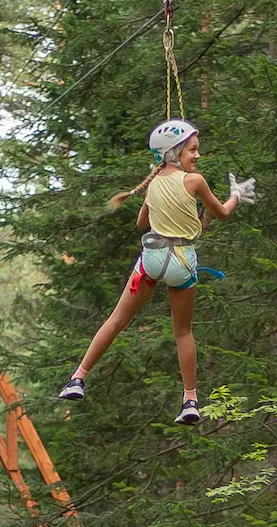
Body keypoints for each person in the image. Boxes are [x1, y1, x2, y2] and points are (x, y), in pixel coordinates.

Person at [58, 120, 256, 425]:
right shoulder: (195, 182)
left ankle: (78, 378)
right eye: (193, 150)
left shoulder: (152, 184)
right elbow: (222, 213)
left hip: (151, 262)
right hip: (182, 266)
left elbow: (141, 224)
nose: (198, 155)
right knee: (183, 332)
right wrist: (237, 195)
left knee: (117, 320)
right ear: (174, 152)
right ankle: (190, 400)